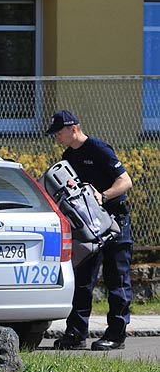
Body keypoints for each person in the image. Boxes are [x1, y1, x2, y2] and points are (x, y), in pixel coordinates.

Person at [46, 110, 133, 351]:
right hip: (87, 226)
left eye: (59, 132)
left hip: (115, 222)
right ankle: (75, 334)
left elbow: (125, 181)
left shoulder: (98, 149)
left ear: (73, 128)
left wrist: (102, 196)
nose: (57, 138)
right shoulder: (67, 157)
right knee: (83, 280)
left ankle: (117, 335)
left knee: (117, 280)